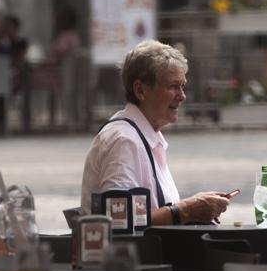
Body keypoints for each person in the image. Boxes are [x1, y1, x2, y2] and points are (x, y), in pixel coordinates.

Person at [80, 40, 231, 225]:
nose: (182, 96)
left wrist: (192, 208)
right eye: (173, 86)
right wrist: (185, 211)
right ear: (140, 90)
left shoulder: (144, 136)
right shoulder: (124, 141)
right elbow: (119, 223)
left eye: (182, 86)